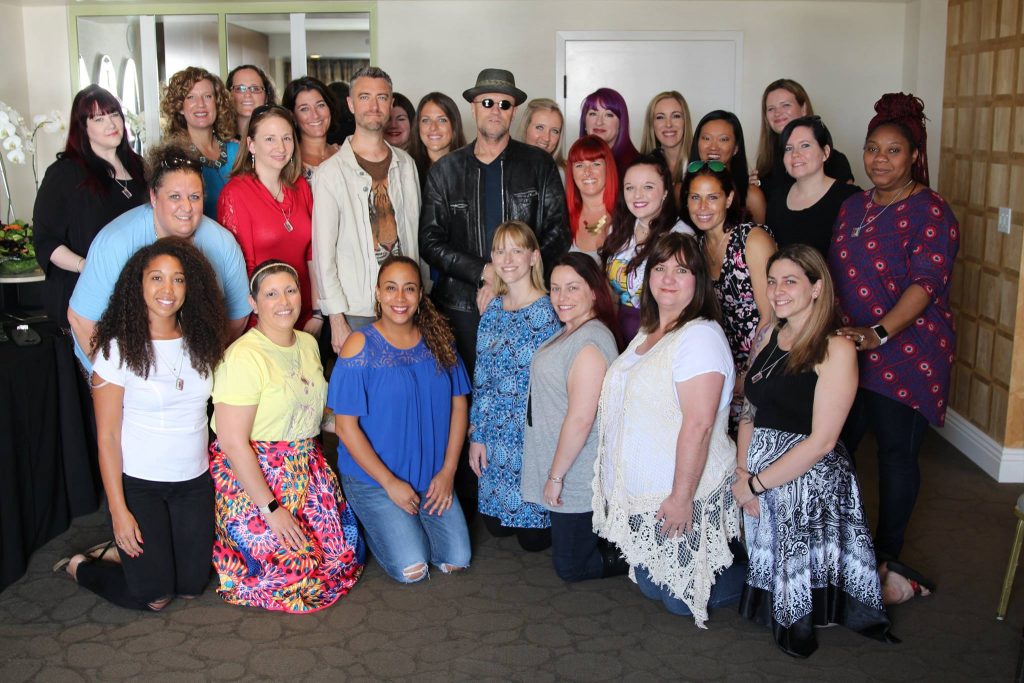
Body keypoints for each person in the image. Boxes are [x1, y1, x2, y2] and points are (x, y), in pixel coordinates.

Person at [732, 245, 895, 657]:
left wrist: (757, 483)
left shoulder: (835, 349)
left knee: (788, 495)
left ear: (817, 287)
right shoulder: (769, 333)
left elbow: (822, 441)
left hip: (811, 469)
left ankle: (860, 592)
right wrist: (741, 470)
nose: (777, 291)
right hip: (759, 463)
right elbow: (751, 406)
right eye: (771, 281)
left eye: (790, 281)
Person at [54, 237, 228, 611]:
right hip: (141, 485)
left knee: (192, 586)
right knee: (155, 597)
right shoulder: (117, 349)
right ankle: (82, 566)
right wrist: (119, 511)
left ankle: (127, 554)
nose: (168, 290)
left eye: (178, 279)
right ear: (139, 284)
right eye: (157, 278)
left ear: (190, 286)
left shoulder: (202, 341)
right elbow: (107, 436)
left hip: (193, 482)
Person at [829, 92, 958, 594]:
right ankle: (841, 546)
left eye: (893, 151)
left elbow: (926, 284)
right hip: (847, 352)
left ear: (914, 157)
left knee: (894, 455)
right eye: (872, 148)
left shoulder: (932, 210)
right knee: (836, 448)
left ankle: (888, 558)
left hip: (908, 352)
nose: (880, 159)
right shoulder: (854, 206)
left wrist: (878, 332)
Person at [593, 232, 745, 626]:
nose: (668, 278)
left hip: (685, 490)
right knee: (651, 586)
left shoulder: (699, 336)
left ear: (699, 280)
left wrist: (681, 497)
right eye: (659, 268)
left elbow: (698, 424)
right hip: (647, 493)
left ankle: (766, 579)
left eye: (682, 269)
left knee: (679, 601)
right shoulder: (648, 331)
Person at [209, 260, 364, 612]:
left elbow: (313, 414)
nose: (283, 301)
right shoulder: (243, 357)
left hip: (305, 463)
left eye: (290, 290)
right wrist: (271, 509)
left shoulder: (308, 344)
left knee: (340, 559)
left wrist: (365, 430)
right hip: (253, 472)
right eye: (271, 294)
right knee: (295, 576)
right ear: (253, 302)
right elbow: (233, 443)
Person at [419, 67, 568, 378]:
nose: (496, 111)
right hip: (461, 307)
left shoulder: (538, 165)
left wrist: (515, 281)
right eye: (488, 103)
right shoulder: (446, 171)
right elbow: (430, 242)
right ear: (474, 108)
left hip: (526, 306)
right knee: (466, 399)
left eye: (505, 104)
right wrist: (485, 272)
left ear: (514, 112)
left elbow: (557, 231)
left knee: (521, 396)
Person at [331, 256, 472, 583]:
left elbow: (459, 404)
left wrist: (449, 472)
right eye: (391, 288)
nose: (400, 298)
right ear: (378, 293)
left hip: (432, 475)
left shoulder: (440, 340)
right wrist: (390, 483)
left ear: (421, 294)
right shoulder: (359, 345)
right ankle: (376, 521)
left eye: (409, 289)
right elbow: (344, 426)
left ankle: (410, 523)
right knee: (413, 569)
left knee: (456, 560)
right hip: (375, 479)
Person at [68, 144, 251, 373]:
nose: (186, 207)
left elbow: (238, 315)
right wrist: (116, 381)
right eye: (175, 196)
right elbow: (81, 320)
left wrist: (205, 364)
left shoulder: (222, 242)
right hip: (119, 363)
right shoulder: (116, 242)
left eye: (194, 197)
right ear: (154, 196)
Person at [521, 253, 625, 581]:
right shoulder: (570, 330)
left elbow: (581, 420)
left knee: (570, 567)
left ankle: (637, 558)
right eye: (555, 289)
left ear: (594, 291)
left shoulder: (591, 343)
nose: (561, 298)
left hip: (577, 474)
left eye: (572, 288)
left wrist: (556, 477)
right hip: (562, 464)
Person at [311, 65, 421, 357]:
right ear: (350, 104)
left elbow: (414, 235)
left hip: (404, 304)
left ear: (391, 103)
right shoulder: (329, 174)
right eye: (364, 97)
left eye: (382, 98)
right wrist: (336, 319)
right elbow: (324, 255)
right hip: (356, 309)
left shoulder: (407, 165)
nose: (374, 106)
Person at [470, 221, 561, 550]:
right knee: (496, 529)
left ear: (534, 257)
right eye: (499, 251)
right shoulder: (492, 309)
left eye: (516, 250)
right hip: (495, 433)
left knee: (534, 540)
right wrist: (477, 436)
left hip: (532, 437)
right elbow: (481, 378)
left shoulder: (550, 312)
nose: (507, 259)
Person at [33, 85, 146, 330]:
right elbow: (45, 240)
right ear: (83, 127)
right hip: (86, 297)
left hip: (137, 297)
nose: (111, 123)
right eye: (99, 118)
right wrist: (86, 266)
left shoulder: (141, 168)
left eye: (114, 114)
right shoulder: (65, 174)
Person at [217, 105, 319, 335]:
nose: (281, 147)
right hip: (263, 319)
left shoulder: (300, 186)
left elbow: (313, 252)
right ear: (251, 145)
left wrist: (318, 313)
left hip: (305, 314)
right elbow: (240, 269)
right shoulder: (235, 194)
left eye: (286, 138)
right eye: (270, 139)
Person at [684, 160, 775, 389]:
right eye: (695, 197)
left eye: (712, 197)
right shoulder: (695, 247)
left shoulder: (752, 240)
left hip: (762, 366)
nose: (702, 206)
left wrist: (748, 376)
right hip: (718, 367)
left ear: (730, 198)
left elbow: (771, 317)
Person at [602, 154, 693, 344]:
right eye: (630, 188)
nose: (637, 195)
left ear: (665, 191)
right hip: (619, 330)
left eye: (648, 187)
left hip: (660, 333)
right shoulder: (620, 229)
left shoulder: (680, 237)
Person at [765, 116, 861, 256]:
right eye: (788, 148)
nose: (795, 154)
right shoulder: (777, 199)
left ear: (825, 152)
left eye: (805, 145)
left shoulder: (850, 198)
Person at [753, 78, 855, 201]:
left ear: (803, 109)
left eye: (785, 105)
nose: (777, 113)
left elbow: (850, 209)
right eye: (771, 109)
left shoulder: (835, 160)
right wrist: (753, 190)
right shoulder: (765, 160)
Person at [161, 67, 238, 218]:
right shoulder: (175, 158)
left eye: (207, 96)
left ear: (217, 102)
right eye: (191, 97)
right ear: (180, 107)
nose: (201, 104)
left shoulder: (237, 150)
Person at [689, 111, 766, 225]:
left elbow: (764, 237)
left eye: (723, 139)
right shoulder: (683, 189)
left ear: (736, 147)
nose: (713, 147)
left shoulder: (751, 196)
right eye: (706, 138)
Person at [565, 135, 617, 261]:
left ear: (607, 168)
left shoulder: (625, 216)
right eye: (579, 165)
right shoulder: (563, 218)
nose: (587, 172)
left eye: (595, 164)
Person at [282, 76, 342, 183]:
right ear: (292, 116)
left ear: (329, 107)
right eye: (304, 109)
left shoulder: (345, 154)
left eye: (320, 105)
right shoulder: (286, 161)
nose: (315, 115)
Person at [639, 91, 693, 203]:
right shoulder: (640, 167)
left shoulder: (700, 163)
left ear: (685, 121)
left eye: (676, 116)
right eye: (660, 117)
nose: (668, 124)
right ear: (651, 125)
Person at [409, 91, 466, 190]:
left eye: (442, 120)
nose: (433, 128)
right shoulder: (407, 169)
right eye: (426, 120)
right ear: (418, 126)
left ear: (454, 125)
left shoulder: (469, 169)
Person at [579, 87, 637, 173]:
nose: (599, 122)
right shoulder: (574, 162)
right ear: (584, 122)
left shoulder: (636, 166)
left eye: (609, 115)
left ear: (621, 123)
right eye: (593, 113)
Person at [226, 64, 275, 140]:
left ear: (267, 96)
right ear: (228, 95)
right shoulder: (218, 143)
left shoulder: (278, 137)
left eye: (255, 89)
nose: (248, 94)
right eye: (240, 88)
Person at [519, 98, 565, 173]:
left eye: (554, 131)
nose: (546, 138)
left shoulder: (565, 173)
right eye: (540, 127)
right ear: (525, 127)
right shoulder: (505, 168)